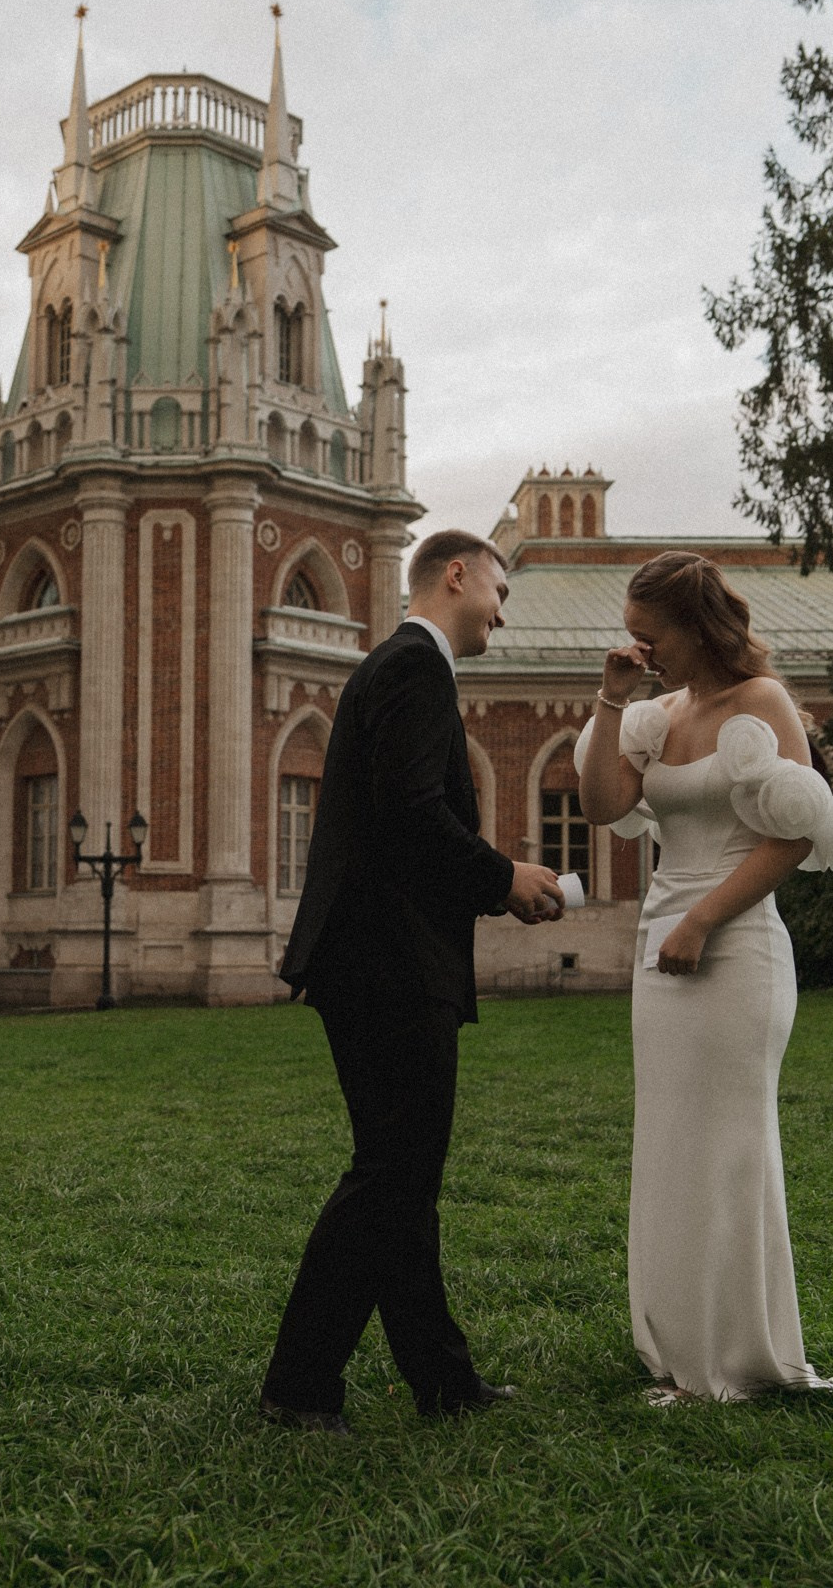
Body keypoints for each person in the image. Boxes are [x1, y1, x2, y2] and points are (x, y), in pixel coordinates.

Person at [264, 529, 565, 1436]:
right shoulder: (413, 667)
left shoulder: (397, 668)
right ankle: (300, 1385)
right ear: (457, 574)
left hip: (381, 961)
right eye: (500, 592)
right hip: (385, 965)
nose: (503, 614)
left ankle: (443, 1381)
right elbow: (411, 817)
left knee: (404, 1180)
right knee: (391, 1175)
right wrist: (503, 878)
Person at [574, 550, 833, 1406]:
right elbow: (599, 806)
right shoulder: (657, 714)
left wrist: (705, 921)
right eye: (632, 639)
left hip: (737, 947)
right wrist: (609, 700)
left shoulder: (765, 703)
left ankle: (739, 1358)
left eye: (649, 636)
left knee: (730, 1151)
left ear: (694, 625)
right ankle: (681, 1354)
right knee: (669, 1146)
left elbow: (794, 835)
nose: (642, 651)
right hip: (660, 945)